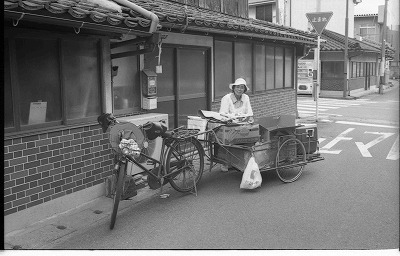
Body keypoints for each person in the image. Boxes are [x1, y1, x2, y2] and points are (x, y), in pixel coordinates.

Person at [218, 78, 254, 172]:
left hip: (242, 124)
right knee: (228, 138)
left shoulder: (246, 98)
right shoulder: (226, 98)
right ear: (233, 88)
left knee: (249, 137)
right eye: (238, 87)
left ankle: (240, 161)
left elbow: (249, 113)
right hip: (229, 124)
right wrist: (234, 117)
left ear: (244, 89)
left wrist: (246, 118)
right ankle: (225, 162)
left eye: (242, 87)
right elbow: (222, 114)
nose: (239, 89)